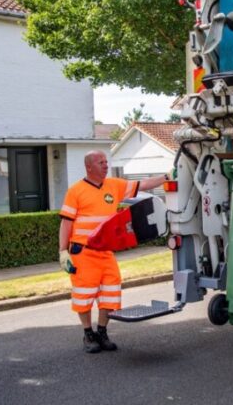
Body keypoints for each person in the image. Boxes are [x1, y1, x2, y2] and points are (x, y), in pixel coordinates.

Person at [58, 150, 168, 353]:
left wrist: (166, 177)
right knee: (84, 295)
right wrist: (63, 251)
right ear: (89, 166)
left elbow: (143, 184)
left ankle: (102, 332)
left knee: (111, 292)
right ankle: (88, 334)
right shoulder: (75, 191)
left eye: (106, 161)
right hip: (83, 253)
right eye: (101, 162)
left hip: (105, 252)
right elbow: (66, 223)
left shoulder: (114, 186)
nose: (106, 165)